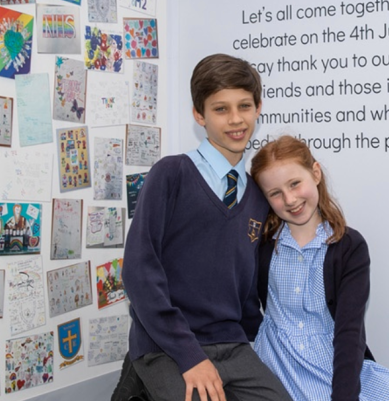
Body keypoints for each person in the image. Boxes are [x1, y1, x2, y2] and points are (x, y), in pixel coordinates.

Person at [118, 54, 290, 401]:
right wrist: (190, 355)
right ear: (200, 115)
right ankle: (136, 376)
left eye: (244, 105)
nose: (236, 119)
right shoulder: (171, 174)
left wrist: (261, 346)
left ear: (258, 108)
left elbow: (244, 289)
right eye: (220, 109)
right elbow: (139, 271)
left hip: (232, 345)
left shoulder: (257, 196)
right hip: (167, 346)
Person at [251, 136, 389, 401]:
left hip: (336, 361)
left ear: (316, 174)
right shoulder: (261, 247)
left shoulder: (350, 246)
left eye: (295, 184)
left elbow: (350, 331)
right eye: (275, 193)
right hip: (279, 361)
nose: (290, 199)